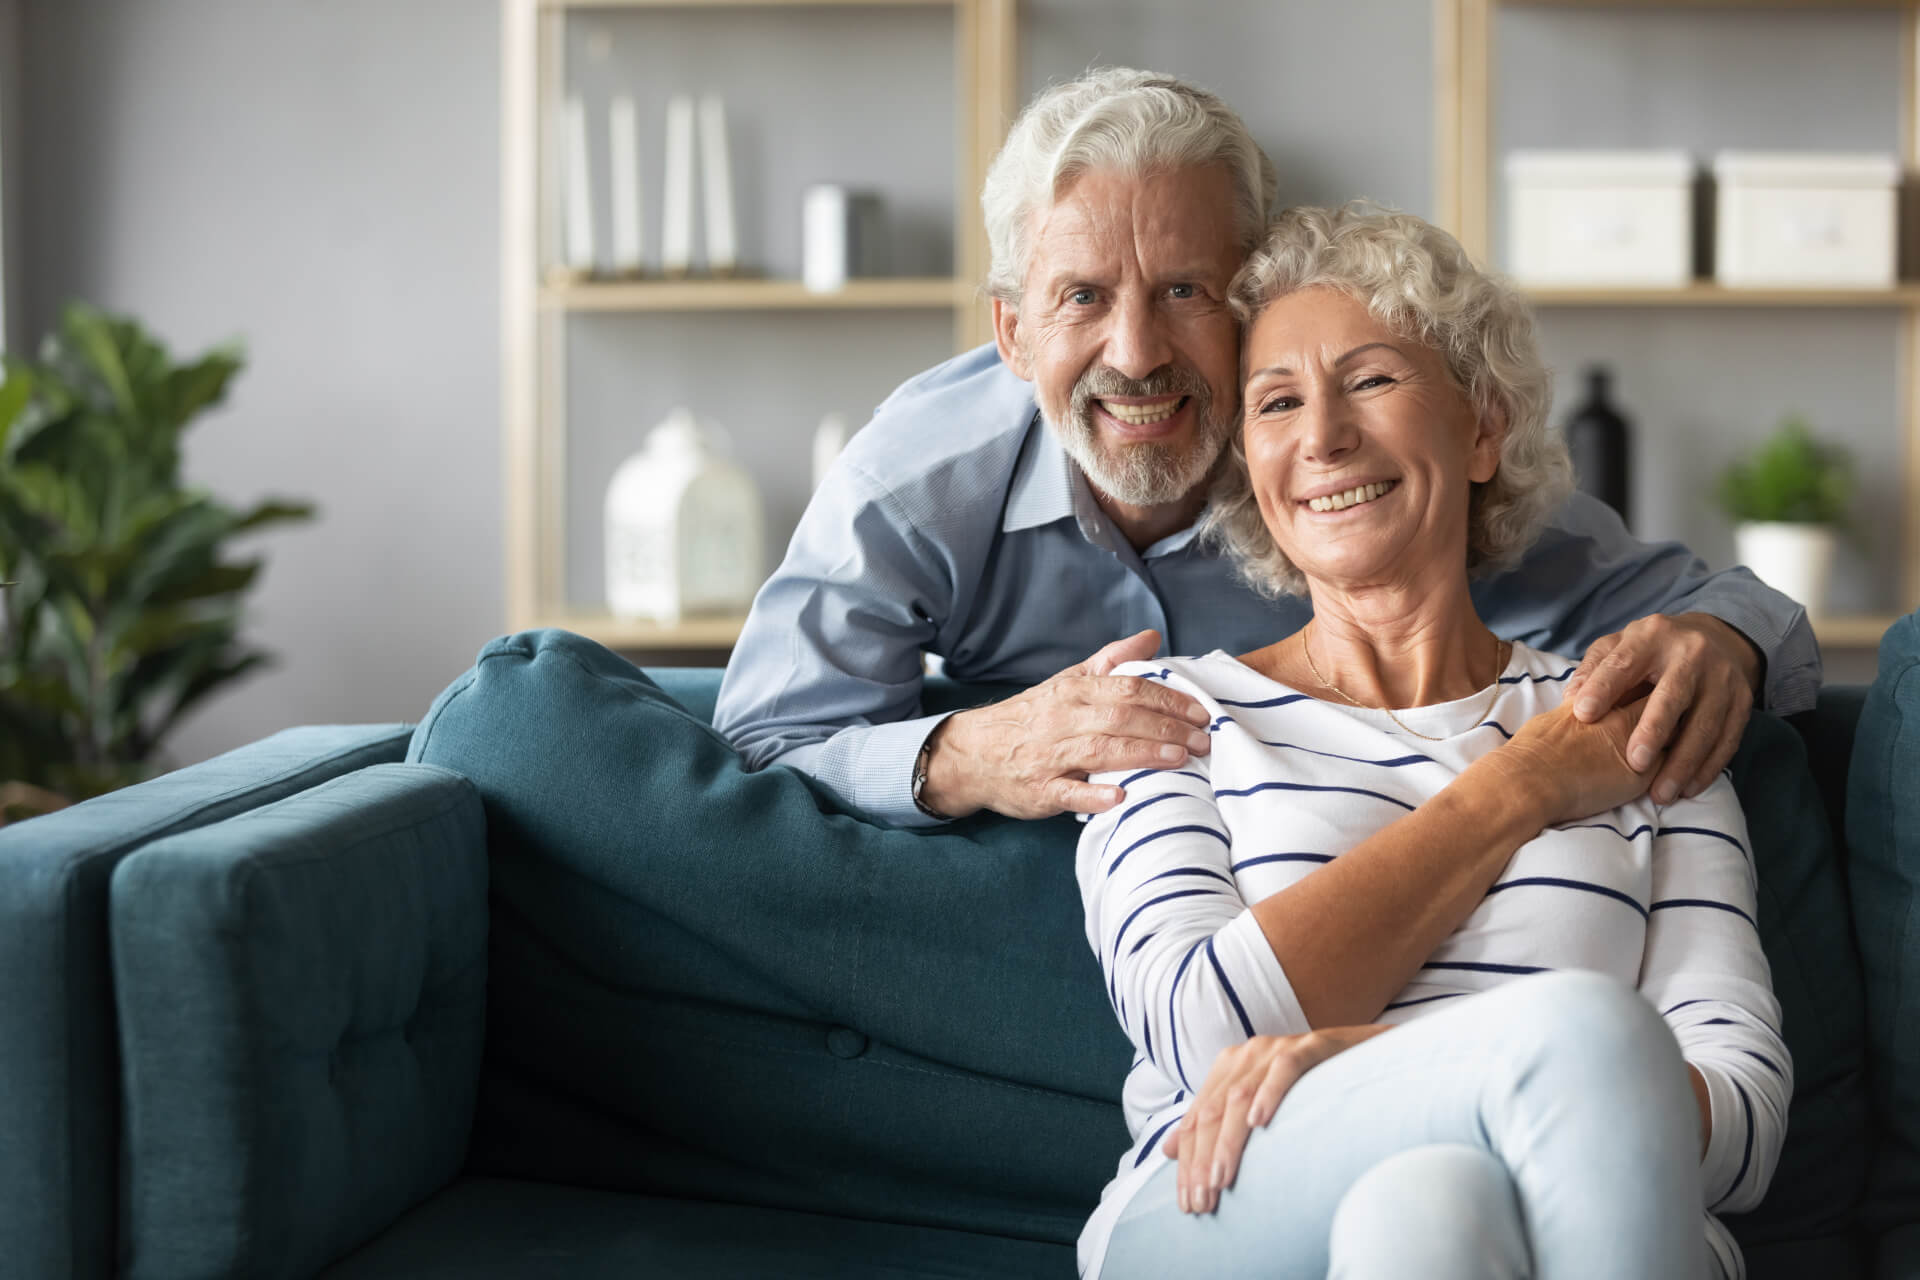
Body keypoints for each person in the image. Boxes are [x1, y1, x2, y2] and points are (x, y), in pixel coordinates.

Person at [713, 67, 1818, 830]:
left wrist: (1723, 642)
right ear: (1011, 330)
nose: (1137, 353)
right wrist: (964, 754)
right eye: (1083, 297)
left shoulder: (1348, 466)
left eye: (1186, 290)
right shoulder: (916, 481)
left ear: (1257, 295)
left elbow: (1734, 609)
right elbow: (759, 744)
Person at [1076, 203, 1787, 1280]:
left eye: (1370, 380)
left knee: (1432, 1205)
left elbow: (1743, 1123)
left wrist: (1372, 1060)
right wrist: (1520, 785)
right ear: (1253, 476)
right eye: (1276, 402)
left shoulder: (1636, 714)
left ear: (1483, 428)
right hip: (1224, 1195)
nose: (1323, 435)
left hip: (1560, 1219)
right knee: (1590, 1036)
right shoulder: (1169, 713)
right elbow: (1206, 1035)